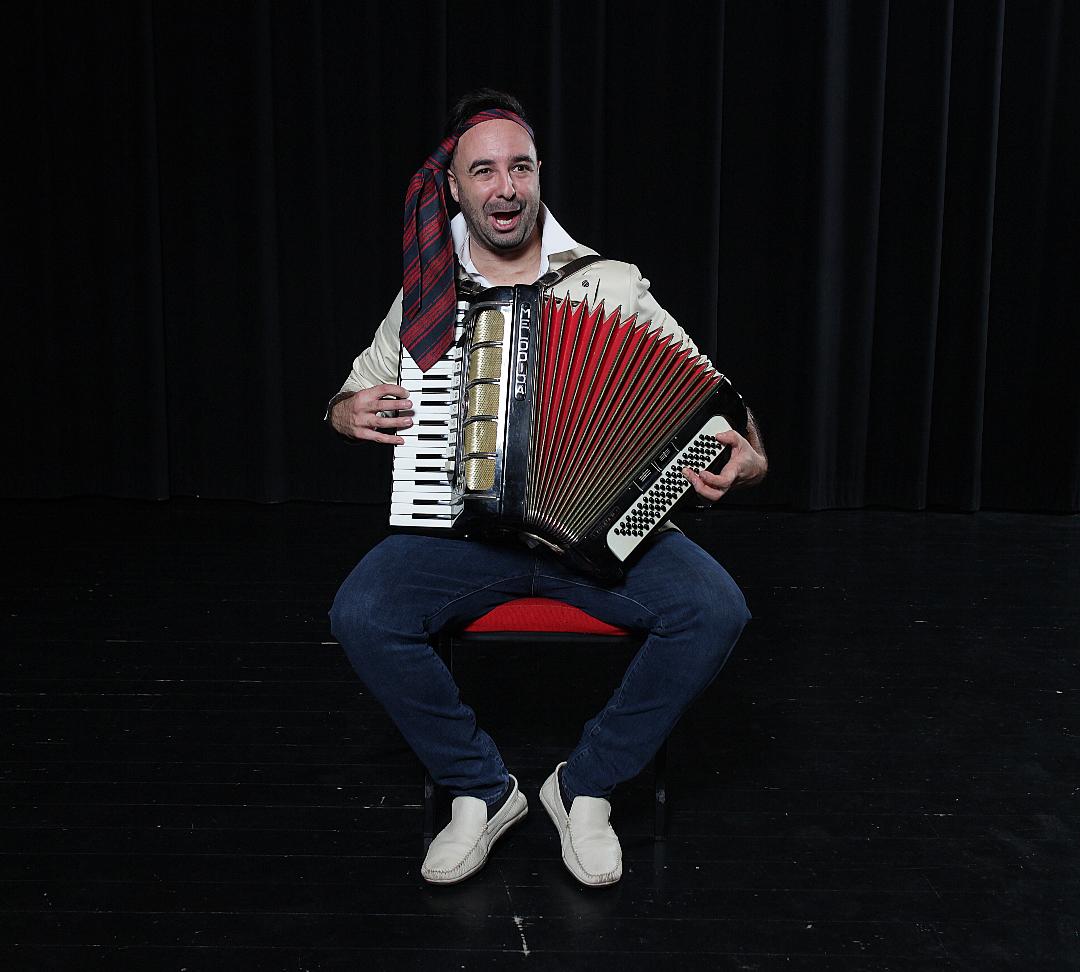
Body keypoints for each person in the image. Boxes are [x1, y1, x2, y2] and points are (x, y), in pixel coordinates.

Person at [327, 89, 767, 887]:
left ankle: (585, 787)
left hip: (603, 536)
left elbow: (721, 402)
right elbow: (351, 393)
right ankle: (480, 789)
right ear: (454, 187)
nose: (505, 187)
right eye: (484, 171)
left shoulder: (611, 284)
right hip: (462, 535)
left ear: (537, 176)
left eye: (520, 168)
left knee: (715, 609)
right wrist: (347, 411)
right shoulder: (428, 298)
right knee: (363, 611)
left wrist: (751, 459)